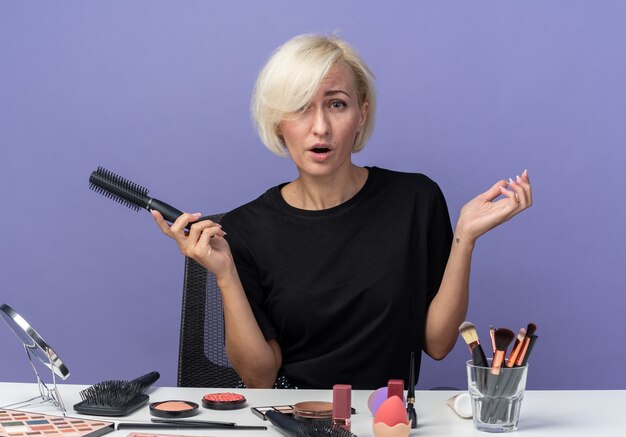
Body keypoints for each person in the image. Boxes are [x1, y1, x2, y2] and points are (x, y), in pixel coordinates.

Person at [152, 34, 532, 390]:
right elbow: (259, 379)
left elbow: (437, 343)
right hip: (294, 419)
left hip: (388, 419)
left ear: (361, 115)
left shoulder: (417, 199)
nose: (320, 128)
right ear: (278, 124)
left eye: (337, 104)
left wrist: (464, 238)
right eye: (301, 108)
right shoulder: (243, 229)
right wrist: (225, 275)